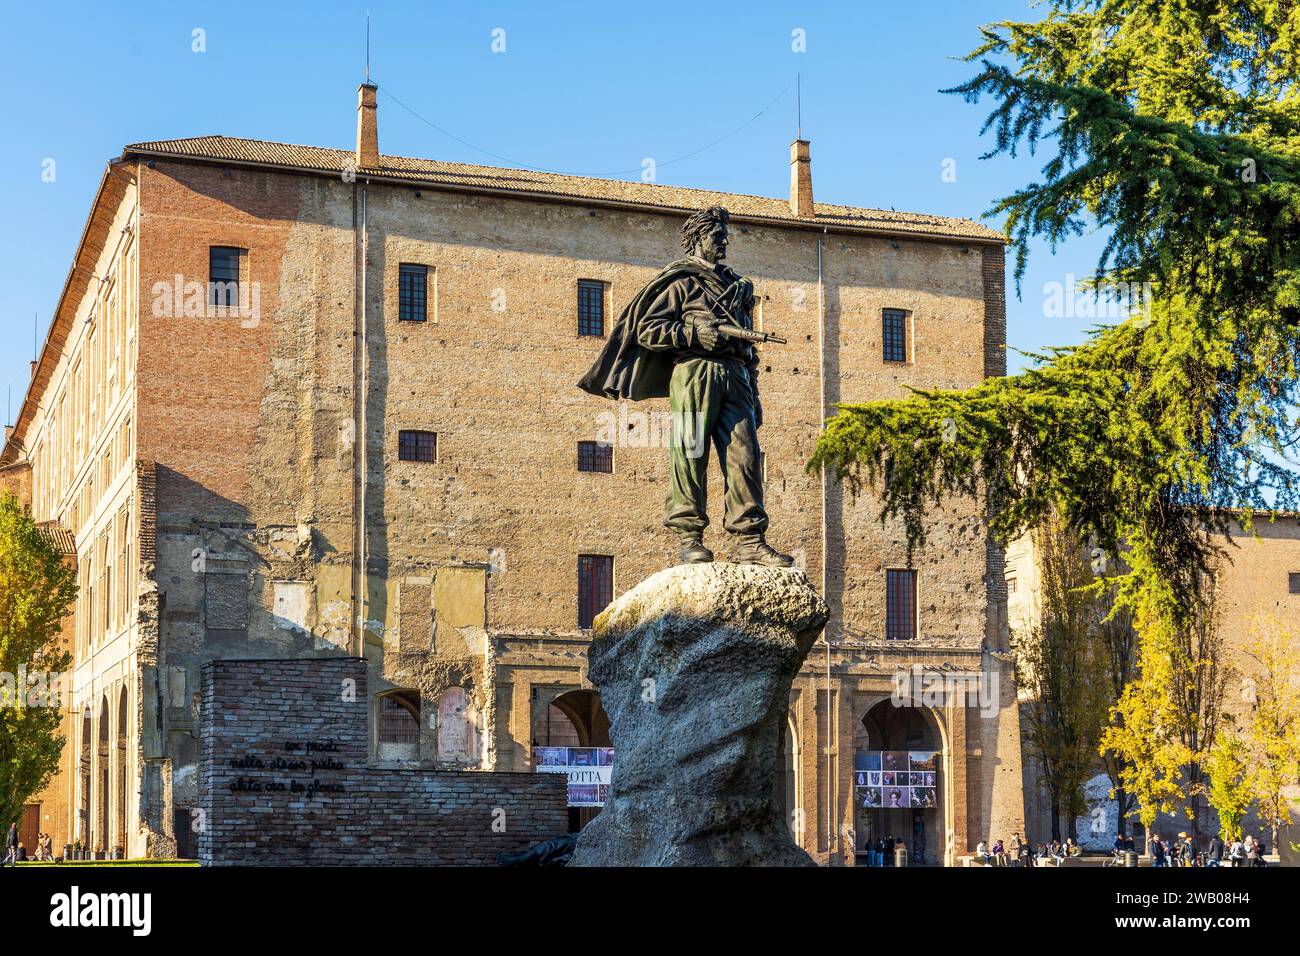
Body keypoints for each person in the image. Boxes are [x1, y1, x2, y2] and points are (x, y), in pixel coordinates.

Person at [577, 206, 793, 567]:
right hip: (694, 373)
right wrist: (693, 332)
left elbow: (749, 348)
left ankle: (749, 540)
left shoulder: (738, 287)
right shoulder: (681, 283)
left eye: (726, 234)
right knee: (689, 453)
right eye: (716, 234)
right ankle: (689, 536)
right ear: (697, 238)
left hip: (736, 374)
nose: (724, 240)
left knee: (746, 456)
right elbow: (648, 330)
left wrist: (754, 393)